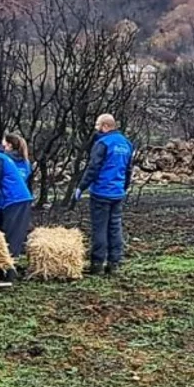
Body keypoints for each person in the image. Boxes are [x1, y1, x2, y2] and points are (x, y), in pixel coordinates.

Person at [77, 114, 134, 275]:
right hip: (117, 193)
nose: (96, 129)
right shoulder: (126, 144)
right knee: (115, 227)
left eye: (97, 125)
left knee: (99, 228)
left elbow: (93, 168)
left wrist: (81, 187)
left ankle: (97, 264)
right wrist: (124, 187)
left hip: (101, 192)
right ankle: (114, 263)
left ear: (105, 126)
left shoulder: (102, 143)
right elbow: (129, 169)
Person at [0, 135, 35, 289]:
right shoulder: (24, 162)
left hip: (12, 200)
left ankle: (7, 275)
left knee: (11, 238)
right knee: (7, 237)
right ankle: (2, 271)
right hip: (12, 201)